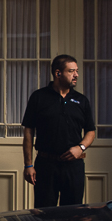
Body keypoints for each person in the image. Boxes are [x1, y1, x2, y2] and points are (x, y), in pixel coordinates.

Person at [21, 54, 96, 208]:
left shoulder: (82, 100)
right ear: (58, 73)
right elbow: (29, 131)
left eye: (77, 71)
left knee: (73, 213)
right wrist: (28, 165)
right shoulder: (39, 97)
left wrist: (80, 148)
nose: (76, 75)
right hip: (46, 165)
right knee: (44, 214)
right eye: (71, 71)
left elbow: (90, 131)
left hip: (73, 166)